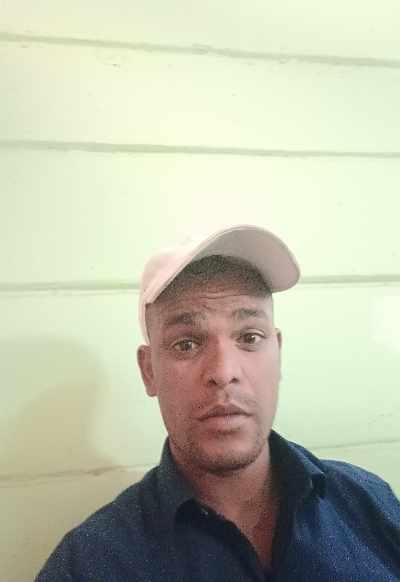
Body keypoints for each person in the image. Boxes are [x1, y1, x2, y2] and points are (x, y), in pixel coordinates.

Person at [36, 225, 400, 581]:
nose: (224, 372)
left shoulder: (368, 501)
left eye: (250, 337)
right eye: (187, 344)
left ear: (278, 353)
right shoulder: (89, 564)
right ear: (149, 371)